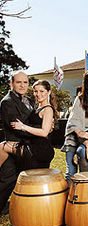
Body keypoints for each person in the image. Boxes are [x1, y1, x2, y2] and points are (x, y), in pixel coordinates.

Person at [2, 80, 58, 169]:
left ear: (49, 92)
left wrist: (23, 127)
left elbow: (44, 133)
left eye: (42, 91)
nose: (38, 94)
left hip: (40, 150)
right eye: (36, 91)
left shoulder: (48, 109)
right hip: (32, 146)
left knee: (2, 147)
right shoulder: (37, 108)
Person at [0, 71, 34, 213]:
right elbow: (17, 128)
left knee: (9, 180)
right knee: (8, 180)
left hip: (27, 144)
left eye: (25, 82)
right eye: (18, 82)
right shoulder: (7, 102)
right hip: (15, 145)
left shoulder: (28, 100)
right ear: (11, 83)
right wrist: (40, 130)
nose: (22, 85)